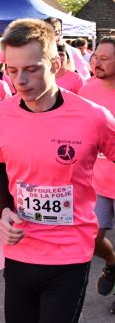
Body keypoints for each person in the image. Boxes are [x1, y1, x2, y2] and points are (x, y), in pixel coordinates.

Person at [0, 18, 115, 323]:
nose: (20, 80)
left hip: (70, 253)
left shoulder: (93, 117)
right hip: (20, 250)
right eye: (12, 70)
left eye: (31, 69)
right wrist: (5, 209)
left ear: (55, 64)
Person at [78, 38, 115, 304]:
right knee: (91, 239)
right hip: (97, 183)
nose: (96, 62)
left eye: (104, 58)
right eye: (95, 57)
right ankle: (113, 262)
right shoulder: (87, 88)